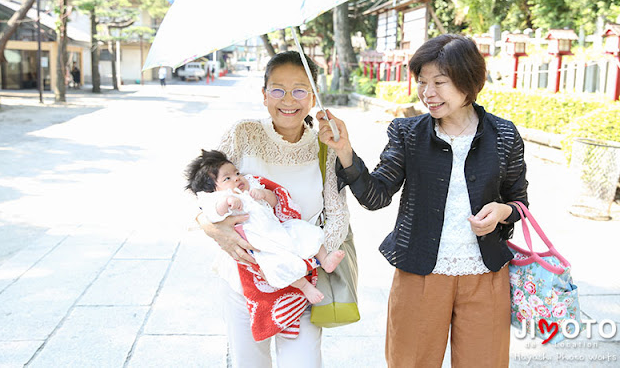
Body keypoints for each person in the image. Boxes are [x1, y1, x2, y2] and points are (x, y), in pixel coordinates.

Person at [317, 34, 528, 368]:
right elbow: (376, 196)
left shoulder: (503, 135)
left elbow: (519, 203)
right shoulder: (407, 133)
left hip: (486, 276)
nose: (428, 93)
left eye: (440, 82)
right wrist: (344, 152)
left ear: (468, 81)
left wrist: (502, 211)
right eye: (422, 82)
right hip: (420, 274)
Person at [194, 51, 351, 367]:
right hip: (246, 280)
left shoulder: (324, 144)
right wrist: (211, 227)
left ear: (312, 97)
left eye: (300, 89)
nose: (288, 99)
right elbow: (204, 192)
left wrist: (305, 259)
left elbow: (338, 214)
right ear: (264, 95)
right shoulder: (243, 134)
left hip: (301, 281)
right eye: (278, 89)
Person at [185, 149, 345, 304]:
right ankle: (305, 286)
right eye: (227, 178)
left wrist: (264, 195)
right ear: (213, 190)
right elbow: (213, 214)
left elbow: (275, 202)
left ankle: (325, 260)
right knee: (278, 266)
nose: (236, 178)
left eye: (236, 173)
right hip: (262, 244)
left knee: (306, 231)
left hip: (280, 230)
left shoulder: (252, 186)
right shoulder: (218, 199)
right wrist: (227, 203)